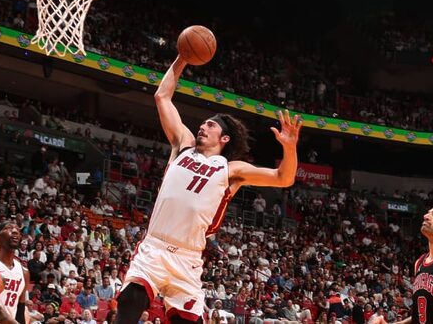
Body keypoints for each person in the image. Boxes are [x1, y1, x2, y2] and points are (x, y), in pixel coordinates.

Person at [116, 55, 301, 323]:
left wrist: (290, 147)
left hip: (188, 259)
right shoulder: (183, 145)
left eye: (210, 125)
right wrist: (182, 59)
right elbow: (162, 97)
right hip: (155, 246)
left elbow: (284, 178)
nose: (203, 126)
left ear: (224, 138)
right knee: (131, 298)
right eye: (203, 123)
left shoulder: (231, 170)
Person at [0, 221, 31, 324]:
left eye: (18, 230)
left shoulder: (24, 272)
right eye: (9, 228)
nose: (15, 231)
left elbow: (20, 308)